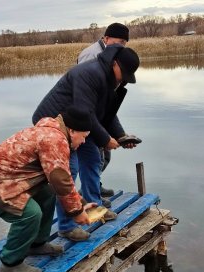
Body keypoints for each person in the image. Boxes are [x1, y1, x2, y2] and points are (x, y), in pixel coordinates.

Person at [0, 107, 95, 272]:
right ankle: (10, 263)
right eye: (84, 136)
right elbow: (60, 179)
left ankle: (36, 243)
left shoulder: (53, 132)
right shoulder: (54, 139)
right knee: (29, 214)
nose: (84, 141)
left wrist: (80, 204)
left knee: (48, 193)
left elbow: (59, 181)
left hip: (9, 179)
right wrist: (76, 212)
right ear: (72, 131)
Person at [32, 44, 140, 242]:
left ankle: (93, 208)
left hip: (79, 125)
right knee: (69, 171)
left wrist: (121, 135)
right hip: (55, 126)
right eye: (123, 73)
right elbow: (86, 112)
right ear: (115, 64)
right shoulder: (89, 73)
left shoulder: (109, 79)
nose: (123, 79)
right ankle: (67, 226)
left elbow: (105, 114)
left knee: (92, 160)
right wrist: (106, 139)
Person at [77, 23, 137, 207]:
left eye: (124, 44)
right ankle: (89, 194)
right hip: (83, 116)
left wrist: (120, 134)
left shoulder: (114, 57)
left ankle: (94, 187)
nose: (121, 47)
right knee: (94, 155)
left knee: (105, 155)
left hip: (98, 113)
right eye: (119, 42)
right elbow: (87, 100)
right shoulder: (91, 56)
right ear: (106, 39)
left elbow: (107, 103)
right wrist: (103, 134)